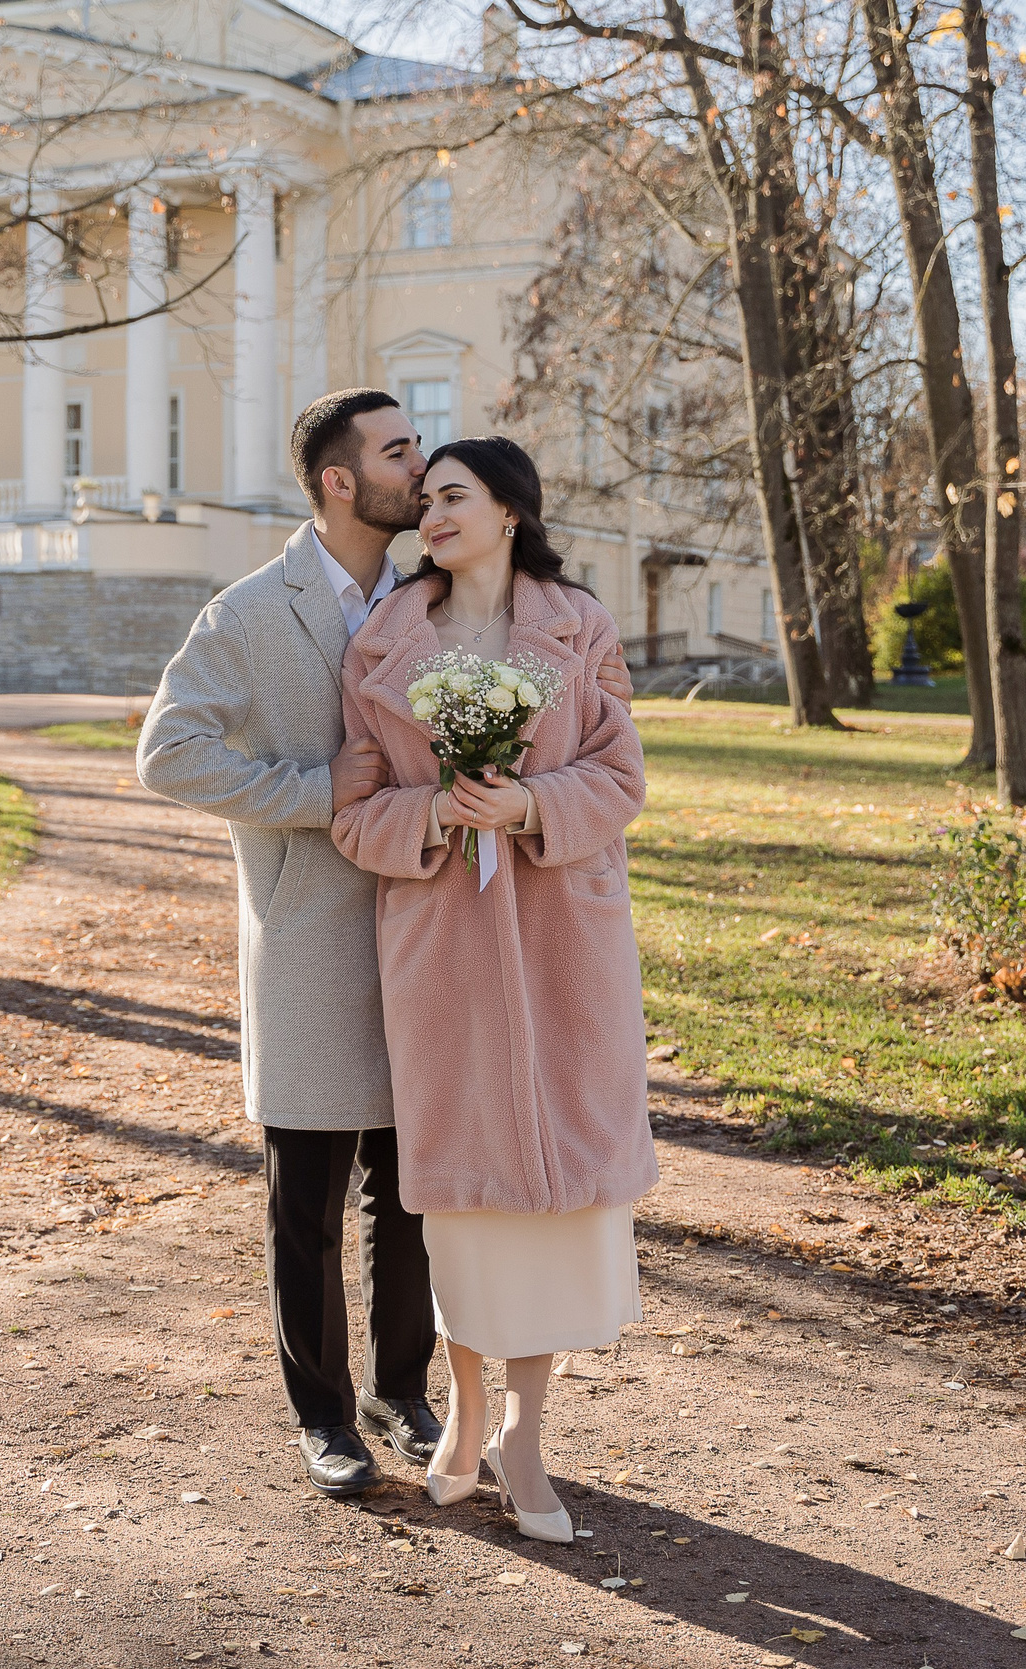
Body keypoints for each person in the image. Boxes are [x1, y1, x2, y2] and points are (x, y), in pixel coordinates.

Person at [137, 391, 632, 1498]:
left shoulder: (435, 600)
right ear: (338, 481)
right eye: (399, 451)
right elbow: (165, 756)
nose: (419, 466)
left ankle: (400, 1390)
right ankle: (322, 1415)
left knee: (420, 1189)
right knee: (305, 1193)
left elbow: (599, 751)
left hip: (442, 936)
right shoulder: (252, 611)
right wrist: (312, 793)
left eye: (428, 454)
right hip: (315, 930)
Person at [329, 436, 656, 1545]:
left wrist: (527, 807)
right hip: (444, 950)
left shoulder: (580, 625)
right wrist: (429, 816)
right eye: (423, 500)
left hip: (562, 939)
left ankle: (523, 1432)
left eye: (452, 496)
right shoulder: (382, 640)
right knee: (463, 1205)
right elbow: (353, 807)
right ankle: (463, 1411)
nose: (430, 514)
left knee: (553, 1204)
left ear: (511, 509)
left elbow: (620, 775)